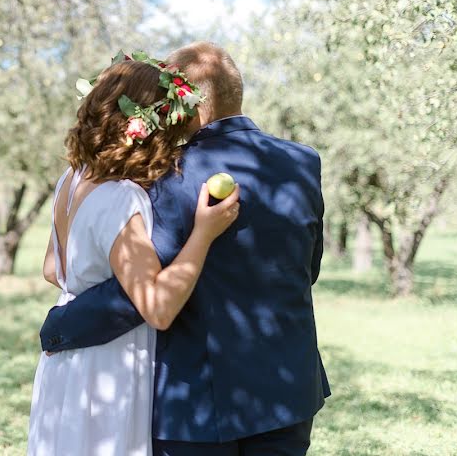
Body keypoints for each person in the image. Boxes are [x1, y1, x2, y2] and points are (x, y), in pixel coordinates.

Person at [39, 42, 330, 456]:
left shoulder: (163, 171)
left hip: (195, 401)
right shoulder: (301, 162)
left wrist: (60, 327)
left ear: (187, 103)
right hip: (289, 388)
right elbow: (308, 265)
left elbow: (135, 296)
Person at [27, 54, 241, 456]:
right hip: (106, 366)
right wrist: (204, 232)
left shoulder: (71, 180)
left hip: (66, 360)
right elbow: (158, 308)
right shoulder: (120, 197)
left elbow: (53, 270)